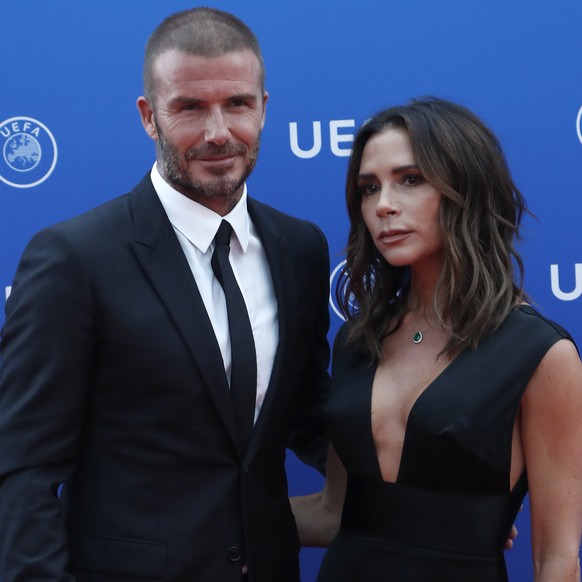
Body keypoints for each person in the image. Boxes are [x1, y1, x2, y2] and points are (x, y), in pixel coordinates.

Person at [0, 8, 331, 582]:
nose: (218, 132)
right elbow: (21, 469)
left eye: (237, 104)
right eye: (189, 108)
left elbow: (308, 418)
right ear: (149, 117)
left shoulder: (299, 249)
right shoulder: (74, 259)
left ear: (264, 108)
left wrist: (444, 499)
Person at [291, 97, 582, 581]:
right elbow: (332, 513)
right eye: (368, 188)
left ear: (465, 188)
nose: (383, 204)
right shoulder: (357, 342)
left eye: (410, 179)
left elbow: (556, 557)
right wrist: (203, 522)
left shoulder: (540, 354)